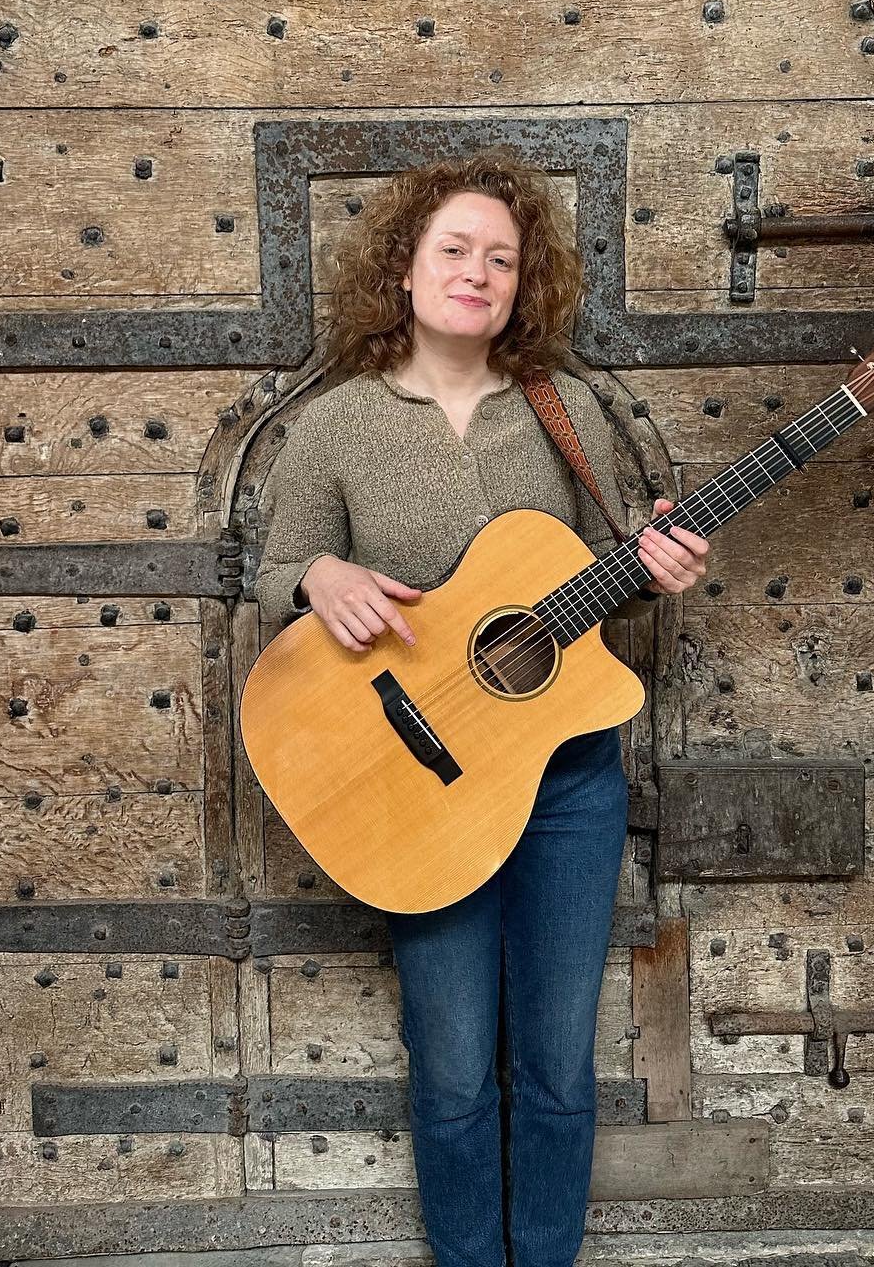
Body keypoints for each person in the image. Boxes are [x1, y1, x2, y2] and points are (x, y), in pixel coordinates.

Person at [252, 147, 709, 1267]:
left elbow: (597, 620)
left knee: (557, 1065)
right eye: (454, 249)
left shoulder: (566, 415)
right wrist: (319, 579)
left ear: (525, 284)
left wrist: (653, 573)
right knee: (453, 1065)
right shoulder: (337, 426)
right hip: (418, 789)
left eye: (501, 258)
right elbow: (272, 578)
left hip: (565, 789)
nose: (477, 272)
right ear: (404, 270)